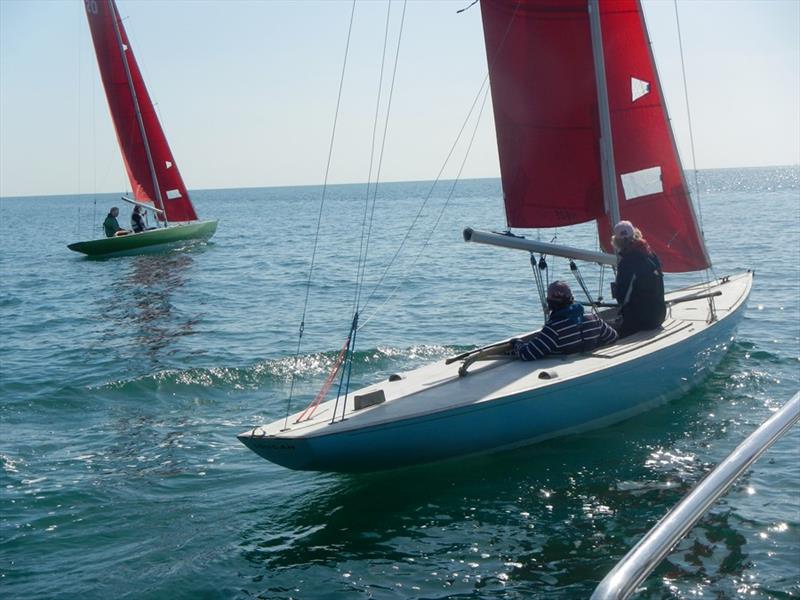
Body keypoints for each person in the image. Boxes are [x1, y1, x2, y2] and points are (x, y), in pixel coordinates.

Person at [511, 281, 618, 361]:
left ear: (550, 302)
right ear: (571, 298)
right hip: (587, 364)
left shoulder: (554, 328)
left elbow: (528, 354)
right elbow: (613, 337)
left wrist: (516, 343)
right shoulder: (593, 319)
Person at [610, 220, 666, 337]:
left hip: (640, 321)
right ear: (635, 234)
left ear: (616, 241)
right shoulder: (650, 254)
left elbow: (623, 297)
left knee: (606, 331)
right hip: (659, 315)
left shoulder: (627, 262)